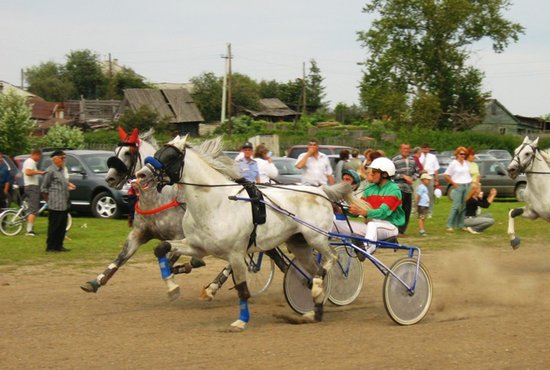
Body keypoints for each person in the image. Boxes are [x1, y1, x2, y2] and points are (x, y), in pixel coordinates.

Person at [348, 157, 405, 255]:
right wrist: (344, 210)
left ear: (384, 174)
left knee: (372, 225)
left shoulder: (394, 190)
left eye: (374, 172)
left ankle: (365, 250)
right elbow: (359, 209)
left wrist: (364, 212)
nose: (371, 174)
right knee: (337, 224)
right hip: (372, 228)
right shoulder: (369, 188)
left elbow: (383, 213)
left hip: (390, 227)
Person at [41, 150, 76, 252]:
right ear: (55, 159)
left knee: (62, 226)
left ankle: (59, 245)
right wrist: (48, 200)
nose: (63, 160)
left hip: (63, 203)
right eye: (62, 158)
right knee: (54, 226)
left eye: (64, 158)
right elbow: (44, 188)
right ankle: (51, 246)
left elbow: (63, 185)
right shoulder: (50, 171)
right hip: (54, 204)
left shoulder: (61, 171)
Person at [392, 143, 419, 235]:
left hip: (408, 189)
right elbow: (392, 174)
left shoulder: (412, 160)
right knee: (398, 209)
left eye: (407, 149)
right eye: (404, 148)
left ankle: (402, 230)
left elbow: (417, 173)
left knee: (407, 210)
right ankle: (395, 229)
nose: (406, 150)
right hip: (398, 188)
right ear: (400, 149)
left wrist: (412, 178)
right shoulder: (395, 160)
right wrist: (403, 176)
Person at [443, 146, 472, 232]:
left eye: (464, 154)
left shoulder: (466, 163)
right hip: (458, 185)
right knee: (456, 206)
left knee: (464, 206)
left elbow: (469, 174)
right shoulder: (453, 163)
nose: (463, 156)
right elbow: (446, 175)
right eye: (461, 154)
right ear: (457, 154)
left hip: (467, 184)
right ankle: (449, 225)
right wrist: (454, 183)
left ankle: (461, 224)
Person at [22, 149, 46, 236]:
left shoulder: (29, 162)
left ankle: (30, 227)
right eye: (39, 156)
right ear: (36, 154)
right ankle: (29, 230)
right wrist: (40, 172)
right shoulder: (30, 161)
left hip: (30, 186)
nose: (39, 158)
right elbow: (28, 172)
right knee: (34, 209)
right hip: (32, 187)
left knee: (32, 208)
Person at [418, 143, 440, 216]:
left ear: (429, 149)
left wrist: (436, 180)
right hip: (421, 176)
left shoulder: (433, 157)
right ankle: (421, 211)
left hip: (430, 176)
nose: (425, 150)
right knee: (420, 194)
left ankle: (429, 211)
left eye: (427, 149)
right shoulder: (419, 156)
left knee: (430, 194)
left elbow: (436, 169)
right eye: (424, 149)